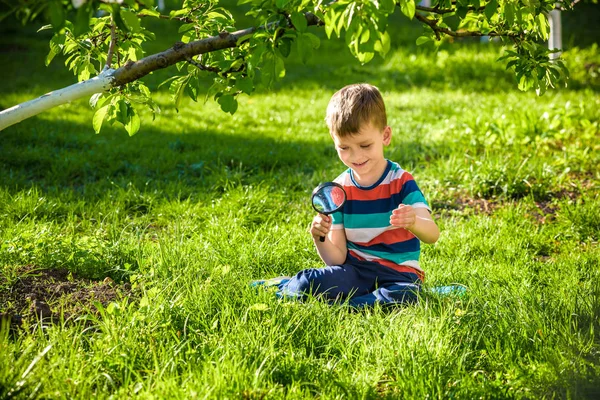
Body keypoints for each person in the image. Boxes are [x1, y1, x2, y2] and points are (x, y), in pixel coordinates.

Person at [278, 83, 440, 307]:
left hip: (400, 275)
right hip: (356, 271)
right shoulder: (339, 190)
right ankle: (290, 288)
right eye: (344, 148)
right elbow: (336, 259)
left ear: (385, 135)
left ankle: (353, 304)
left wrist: (413, 221)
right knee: (308, 282)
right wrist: (320, 238)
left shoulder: (402, 182)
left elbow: (432, 234)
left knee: (405, 295)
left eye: (365, 145)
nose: (356, 156)